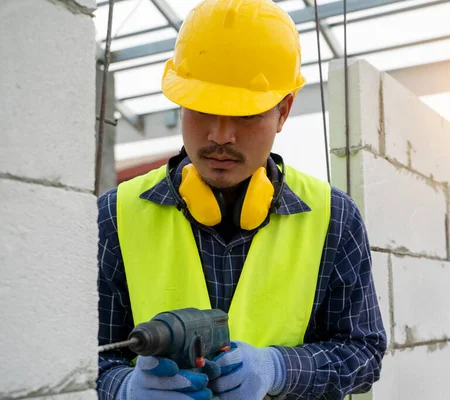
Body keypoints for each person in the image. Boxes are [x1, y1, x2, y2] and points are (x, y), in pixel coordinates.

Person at [96, 0, 387, 399]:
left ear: (283, 112)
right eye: (201, 109)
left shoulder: (334, 218)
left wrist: (278, 369)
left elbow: (364, 352)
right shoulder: (115, 215)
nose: (220, 135)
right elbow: (85, 360)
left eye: (246, 114)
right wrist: (125, 389)